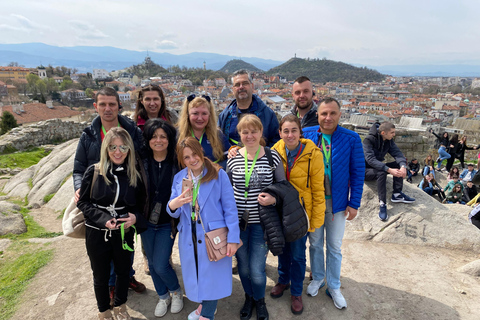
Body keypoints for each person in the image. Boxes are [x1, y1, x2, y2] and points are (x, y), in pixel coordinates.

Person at [73, 87, 146, 299]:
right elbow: (79, 167)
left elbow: (141, 161)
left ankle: (127, 276)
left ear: (119, 106)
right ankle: (112, 283)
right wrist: (79, 187)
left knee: (125, 242)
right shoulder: (88, 135)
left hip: (124, 195)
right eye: (102, 104)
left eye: (112, 104)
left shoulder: (132, 130)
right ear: (95, 106)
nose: (107, 109)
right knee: (103, 245)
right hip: (99, 199)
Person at [77, 127, 147, 320]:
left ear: (129, 150)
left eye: (123, 147)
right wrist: (104, 220)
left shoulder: (134, 175)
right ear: (106, 148)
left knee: (123, 272)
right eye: (113, 147)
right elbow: (82, 202)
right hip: (97, 233)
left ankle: (120, 307)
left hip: (124, 233)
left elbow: (141, 207)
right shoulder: (94, 171)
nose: (118, 152)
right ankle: (104, 312)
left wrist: (135, 219)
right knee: (100, 275)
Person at [167, 137, 241, 320]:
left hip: (213, 235)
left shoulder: (217, 174)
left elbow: (230, 208)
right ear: (181, 160)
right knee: (199, 273)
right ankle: (205, 305)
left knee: (212, 276)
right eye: (186, 157)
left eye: (194, 154)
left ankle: (207, 315)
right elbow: (173, 212)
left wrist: (233, 238)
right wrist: (174, 203)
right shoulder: (180, 178)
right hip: (189, 235)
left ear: (201, 150)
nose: (192, 160)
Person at [302, 97, 365, 309]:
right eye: (323, 113)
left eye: (332, 113)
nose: (328, 118)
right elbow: (284, 147)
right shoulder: (307, 134)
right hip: (315, 202)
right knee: (316, 243)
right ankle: (318, 277)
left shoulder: (351, 138)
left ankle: (334, 285)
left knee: (335, 246)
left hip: (337, 203)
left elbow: (357, 173)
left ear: (340, 115)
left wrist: (354, 202)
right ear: (317, 115)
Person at [226, 114, 285, 320]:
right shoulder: (232, 159)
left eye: (254, 131)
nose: (249, 135)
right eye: (245, 132)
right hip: (238, 223)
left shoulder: (271, 157)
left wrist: (273, 199)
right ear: (239, 134)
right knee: (242, 266)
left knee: (257, 269)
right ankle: (248, 297)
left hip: (262, 223)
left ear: (261, 133)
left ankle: (260, 300)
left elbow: (283, 188)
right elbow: (227, 191)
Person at [269, 115, 325, 314]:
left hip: (301, 213)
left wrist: (316, 219)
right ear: (280, 133)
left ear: (300, 132)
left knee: (298, 255)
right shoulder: (274, 151)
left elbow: (319, 189)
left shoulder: (313, 154)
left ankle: (296, 292)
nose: (290, 134)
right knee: (282, 250)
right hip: (280, 210)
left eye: (294, 130)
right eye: (286, 131)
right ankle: (283, 280)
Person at [140, 119, 184, 317]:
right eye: (154, 136)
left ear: (169, 139)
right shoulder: (141, 161)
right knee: (151, 262)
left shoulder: (177, 161)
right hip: (146, 221)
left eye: (163, 136)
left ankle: (176, 292)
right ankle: (162, 296)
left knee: (160, 264)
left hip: (168, 221)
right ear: (148, 140)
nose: (158, 140)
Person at [363, 122, 415, 221]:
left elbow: (398, 154)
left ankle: (397, 194)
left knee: (398, 164)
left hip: (377, 167)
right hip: (364, 170)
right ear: (383, 132)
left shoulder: (388, 141)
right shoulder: (368, 140)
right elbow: (370, 159)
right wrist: (388, 169)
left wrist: (403, 166)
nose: (394, 135)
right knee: (381, 172)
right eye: (392, 132)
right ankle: (382, 204)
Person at [218, 69, 280, 147]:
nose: (241, 87)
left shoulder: (267, 114)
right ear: (233, 89)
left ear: (252, 86)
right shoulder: (225, 115)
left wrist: (262, 154)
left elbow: (276, 141)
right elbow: (219, 142)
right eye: (237, 85)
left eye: (245, 83)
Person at [177, 94, 230, 168]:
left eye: (204, 114)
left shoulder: (218, 135)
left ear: (209, 115)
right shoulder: (178, 136)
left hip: (213, 177)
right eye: (195, 113)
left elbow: (229, 159)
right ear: (188, 115)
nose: (200, 118)